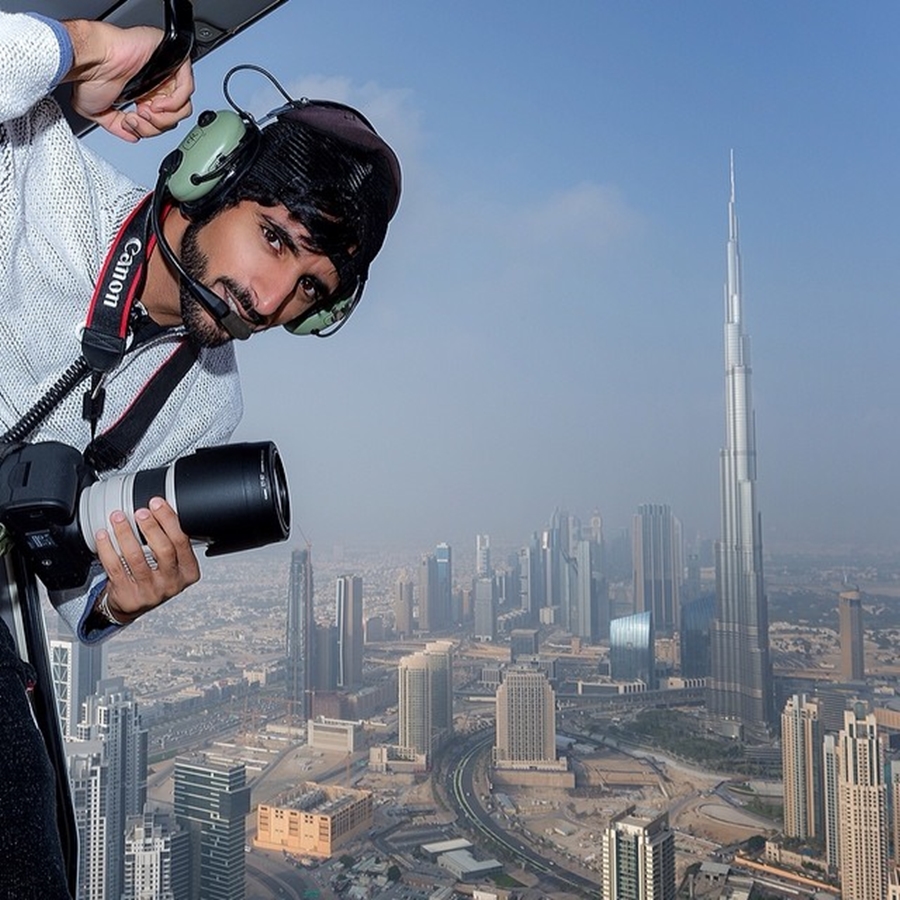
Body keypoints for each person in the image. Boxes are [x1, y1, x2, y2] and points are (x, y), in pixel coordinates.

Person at [0, 10, 400, 898]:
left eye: (308, 290)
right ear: (206, 176)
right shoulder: (37, 175)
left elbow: (73, 596)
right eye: (274, 239)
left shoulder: (208, 403)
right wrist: (81, 49)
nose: (268, 298)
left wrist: (117, 602)